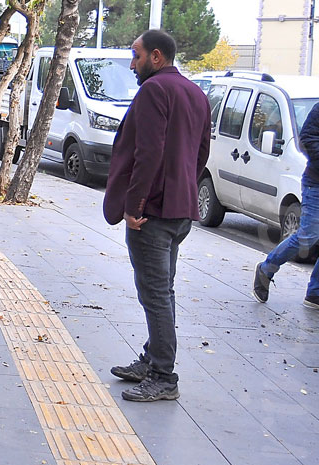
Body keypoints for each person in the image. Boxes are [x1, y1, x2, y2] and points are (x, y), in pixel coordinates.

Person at [103, 29, 211, 402]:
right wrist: (183, 187)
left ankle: (164, 375)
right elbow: (201, 153)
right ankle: (152, 360)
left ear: (157, 57)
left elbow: (146, 153)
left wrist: (133, 207)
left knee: (155, 294)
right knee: (162, 290)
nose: (132, 64)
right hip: (180, 208)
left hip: (152, 211)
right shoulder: (195, 93)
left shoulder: (153, 90)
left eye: (136, 55)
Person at [253, 103, 319, 309]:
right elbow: (307, 140)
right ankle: (266, 269)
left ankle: (315, 293)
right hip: (316, 183)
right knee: (308, 235)